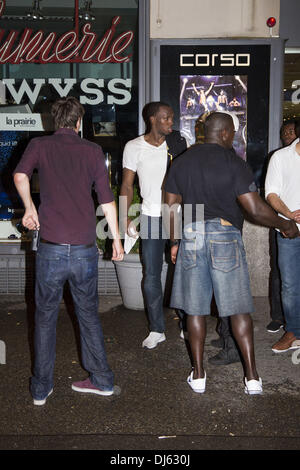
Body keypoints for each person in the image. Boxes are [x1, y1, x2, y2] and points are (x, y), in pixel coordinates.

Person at [164, 112, 298, 395]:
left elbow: (170, 206)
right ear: (224, 133)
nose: (234, 138)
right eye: (233, 134)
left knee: (195, 310)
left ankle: (198, 376)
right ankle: (252, 378)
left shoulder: (182, 161)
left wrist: (174, 242)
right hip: (224, 236)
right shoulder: (233, 162)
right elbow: (254, 208)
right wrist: (285, 225)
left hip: (191, 235)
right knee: (238, 310)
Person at [13, 96, 124, 406]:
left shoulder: (39, 145)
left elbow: (20, 175)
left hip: (50, 249)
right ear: (79, 122)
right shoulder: (92, 151)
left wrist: (29, 208)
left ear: (54, 121)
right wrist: (115, 239)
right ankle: (101, 380)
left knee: (45, 318)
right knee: (88, 316)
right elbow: (106, 200)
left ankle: (40, 389)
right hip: (84, 250)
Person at [120, 101, 186, 349]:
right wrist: (124, 217)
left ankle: (186, 324)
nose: (171, 122)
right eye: (166, 118)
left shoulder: (178, 144)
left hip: (177, 214)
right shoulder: (134, 147)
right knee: (151, 275)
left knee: (183, 271)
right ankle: (157, 328)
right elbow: (127, 185)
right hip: (149, 216)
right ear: (152, 119)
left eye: (172, 118)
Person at [265, 120, 300, 353]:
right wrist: (289, 215)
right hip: (289, 232)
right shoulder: (280, 157)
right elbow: (271, 193)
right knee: (289, 287)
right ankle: (294, 331)